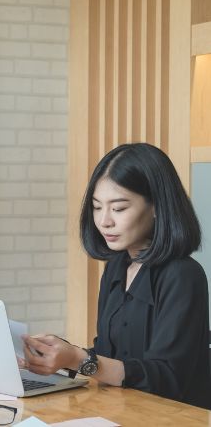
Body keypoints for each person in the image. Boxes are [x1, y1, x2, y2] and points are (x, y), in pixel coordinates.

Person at [20, 143, 211, 409]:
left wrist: (79, 359)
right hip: (123, 411)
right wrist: (56, 355)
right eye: (97, 207)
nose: (104, 221)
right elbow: (108, 357)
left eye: (118, 208)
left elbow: (168, 379)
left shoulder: (183, 275)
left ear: (157, 206)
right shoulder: (116, 266)